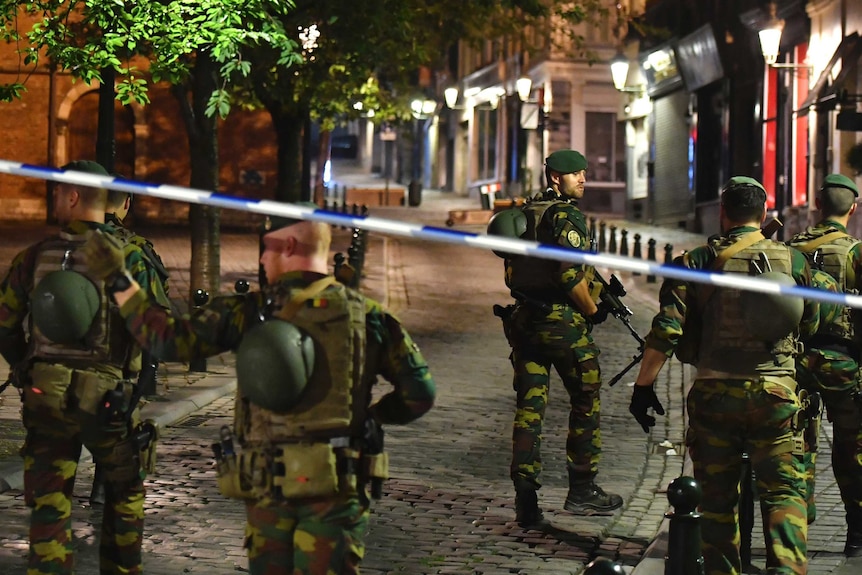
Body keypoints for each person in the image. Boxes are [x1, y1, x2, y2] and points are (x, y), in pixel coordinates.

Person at [80, 211, 436, 575]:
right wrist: (374, 417)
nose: (263, 260)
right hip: (337, 486)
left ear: (289, 246)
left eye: (266, 250)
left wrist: (119, 279)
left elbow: (166, 340)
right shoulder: (370, 317)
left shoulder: (250, 312)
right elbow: (419, 393)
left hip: (269, 484)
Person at [629, 176, 819, 575]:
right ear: (763, 213)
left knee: (716, 503)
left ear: (722, 213)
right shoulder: (793, 260)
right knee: (784, 493)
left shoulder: (695, 262)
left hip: (715, 395)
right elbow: (815, 320)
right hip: (775, 397)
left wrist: (644, 386)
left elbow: (667, 329)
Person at [0, 160, 170, 574]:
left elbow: (4, 327)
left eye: (59, 192)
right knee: (124, 493)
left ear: (73, 196)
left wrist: (26, 366)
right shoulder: (130, 257)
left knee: (48, 500)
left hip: (47, 400)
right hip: (109, 401)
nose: (55, 198)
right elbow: (158, 334)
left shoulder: (35, 257)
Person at [492, 148, 621, 529]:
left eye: (583, 173)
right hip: (560, 322)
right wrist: (593, 310)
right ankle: (582, 488)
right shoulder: (564, 215)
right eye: (573, 174)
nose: (582, 179)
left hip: (524, 321)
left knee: (530, 408)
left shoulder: (527, 212)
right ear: (554, 178)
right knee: (585, 398)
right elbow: (568, 274)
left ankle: (525, 497)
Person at [786, 173, 862, 556]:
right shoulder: (855, 251)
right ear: (853, 207)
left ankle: (797, 521)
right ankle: (856, 533)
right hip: (844, 363)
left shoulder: (790, 248)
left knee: (799, 443)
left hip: (798, 360)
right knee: (853, 447)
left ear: (818, 205)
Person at [86, 176, 173, 506]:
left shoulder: (61, 245)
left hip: (57, 363)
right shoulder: (134, 252)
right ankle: (102, 489)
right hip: (114, 362)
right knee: (117, 427)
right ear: (126, 204)